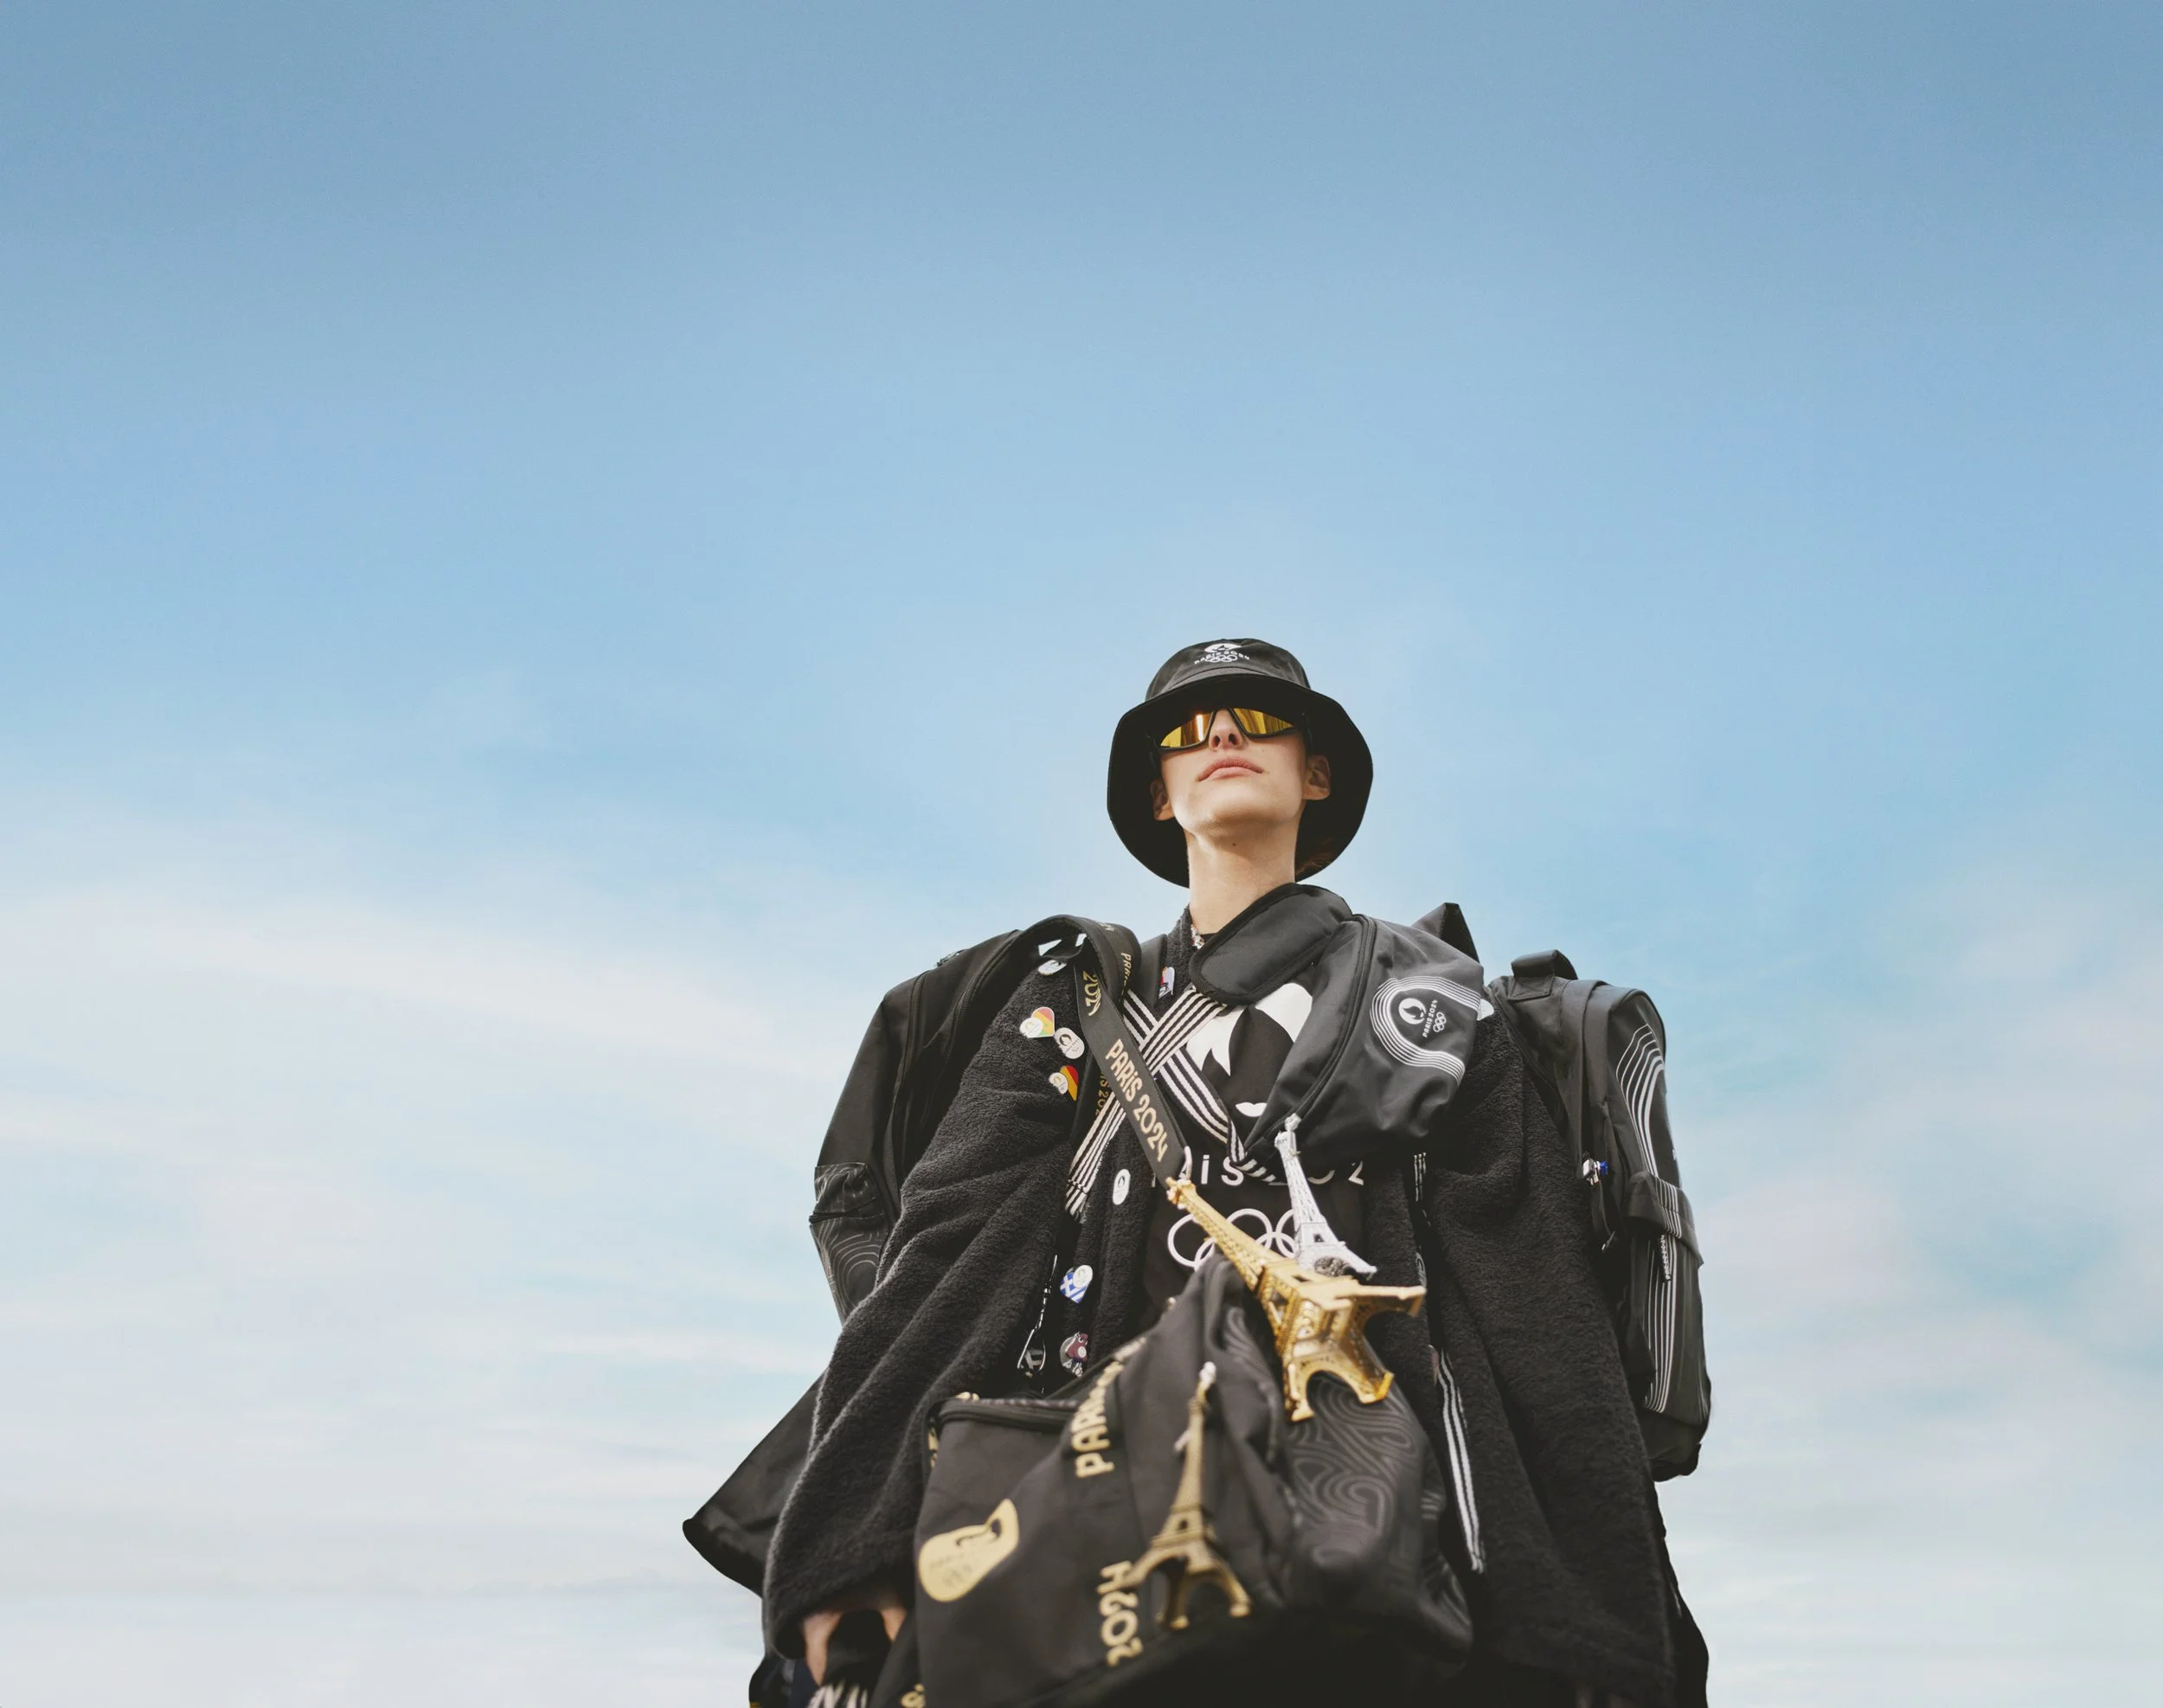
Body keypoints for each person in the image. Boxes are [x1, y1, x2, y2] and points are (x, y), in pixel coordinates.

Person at [762, 639, 1704, 1706]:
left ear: (1316, 774)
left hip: (1383, 1556)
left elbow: (1533, 1309)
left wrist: (1595, 1628)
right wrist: (849, 1539)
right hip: (1100, 1546)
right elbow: (949, 1257)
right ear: (1158, 796)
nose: (1217, 735)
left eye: (1257, 719)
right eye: (1184, 729)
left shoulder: (1438, 1009)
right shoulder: (1068, 1006)